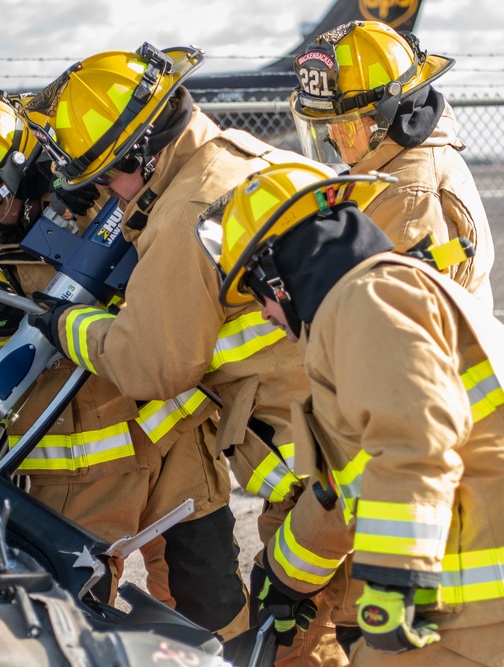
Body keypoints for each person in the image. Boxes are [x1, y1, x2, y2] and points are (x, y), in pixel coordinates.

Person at [20, 43, 346, 665]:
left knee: (302, 643)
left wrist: (71, 324)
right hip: (359, 431)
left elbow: (153, 367)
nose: (111, 199)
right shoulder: (248, 159)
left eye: (110, 178)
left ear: (142, 152)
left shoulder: (182, 216)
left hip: (317, 473)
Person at [0, 90, 247, 637]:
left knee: (213, 609)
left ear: (19, 176)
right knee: (71, 626)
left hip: (167, 439)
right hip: (70, 470)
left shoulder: (99, 190)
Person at [199, 160, 504, 666]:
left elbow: (411, 444)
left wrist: (393, 582)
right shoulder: (375, 299)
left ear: (279, 279)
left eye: (256, 295)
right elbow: (350, 488)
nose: (263, 315)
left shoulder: (367, 302)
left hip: (472, 598)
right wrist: (285, 575)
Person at [290, 20, 494, 308]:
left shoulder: (410, 197)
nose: (334, 136)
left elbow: (393, 326)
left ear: (386, 115)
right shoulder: (391, 167)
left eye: (345, 125)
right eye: (325, 127)